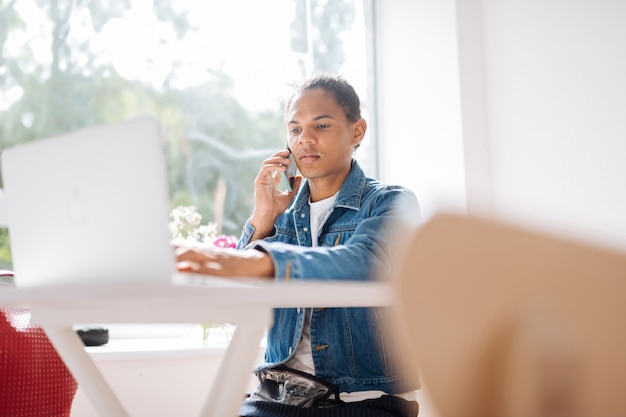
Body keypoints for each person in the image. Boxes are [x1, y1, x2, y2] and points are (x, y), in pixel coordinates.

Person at [175, 73, 421, 416]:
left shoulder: (391, 202)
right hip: (274, 400)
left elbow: (363, 262)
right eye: (294, 129)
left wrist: (264, 260)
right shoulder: (282, 217)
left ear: (357, 131)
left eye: (320, 126)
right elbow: (238, 308)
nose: (304, 139)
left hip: (360, 401)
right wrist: (261, 221)